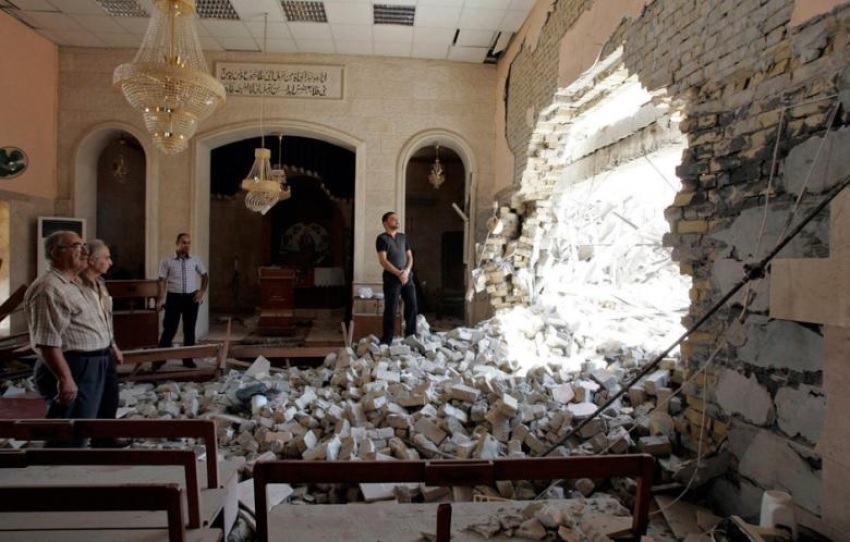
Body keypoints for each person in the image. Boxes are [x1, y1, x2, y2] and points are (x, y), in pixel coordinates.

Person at [25, 231, 112, 447]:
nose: (84, 251)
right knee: (70, 431)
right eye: (76, 246)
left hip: (91, 363)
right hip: (74, 366)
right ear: (56, 253)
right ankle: (57, 473)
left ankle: (72, 465)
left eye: (84, 246)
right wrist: (65, 378)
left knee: (82, 426)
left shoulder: (72, 283)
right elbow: (47, 341)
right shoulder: (49, 288)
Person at [79, 239, 128, 448]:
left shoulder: (101, 284)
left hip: (104, 349)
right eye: (106, 258)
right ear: (91, 260)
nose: (111, 262)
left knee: (110, 396)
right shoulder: (76, 286)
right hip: (85, 353)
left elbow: (105, 319)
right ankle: (72, 447)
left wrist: (114, 345)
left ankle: (105, 438)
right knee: (86, 401)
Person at [154, 233, 208, 369]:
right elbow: (161, 280)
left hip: (191, 298)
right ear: (177, 243)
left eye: (189, 243)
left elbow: (205, 275)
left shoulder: (195, 259)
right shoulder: (167, 261)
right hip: (174, 298)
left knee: (189, 330)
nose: (187, 245)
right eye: (184, 242)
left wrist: (201, 292)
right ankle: (159, 360)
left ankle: (188, 359)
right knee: (169, 329)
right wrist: (160, 299)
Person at [375, 211, 418, 344]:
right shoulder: (382, 239)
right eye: (393, 219)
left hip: (407, 277)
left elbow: (410, 257)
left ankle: (411, 335)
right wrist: (398, 273)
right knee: (391, 308)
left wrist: (406, 271)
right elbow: (383, 261)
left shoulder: (403, 237)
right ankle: (387, 339)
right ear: (385, 223)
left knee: (412, 305)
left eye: (397, 219)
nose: (397, 221)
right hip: (391, 279)